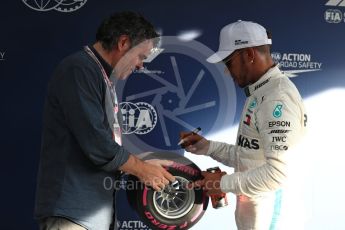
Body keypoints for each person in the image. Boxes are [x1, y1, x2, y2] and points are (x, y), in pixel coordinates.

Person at [34, 11, 175, 230]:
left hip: (94, 215)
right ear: (123, 42)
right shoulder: (79, 70)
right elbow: (97, 144)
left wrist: (143, 164)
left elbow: (106, 147)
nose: (140, 65)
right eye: (141, 56)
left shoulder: (101, 76)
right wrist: (142, 169)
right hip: (72, 216)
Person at [180, 20, 307, 230]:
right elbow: (250, 156)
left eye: (229, 63)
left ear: (249, 54)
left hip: (270, 218)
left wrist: (221, 184)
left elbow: (277, 174)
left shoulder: (277, 98)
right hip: (256, 215)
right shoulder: (260, 91)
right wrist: (207, 147)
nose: (227, 72)